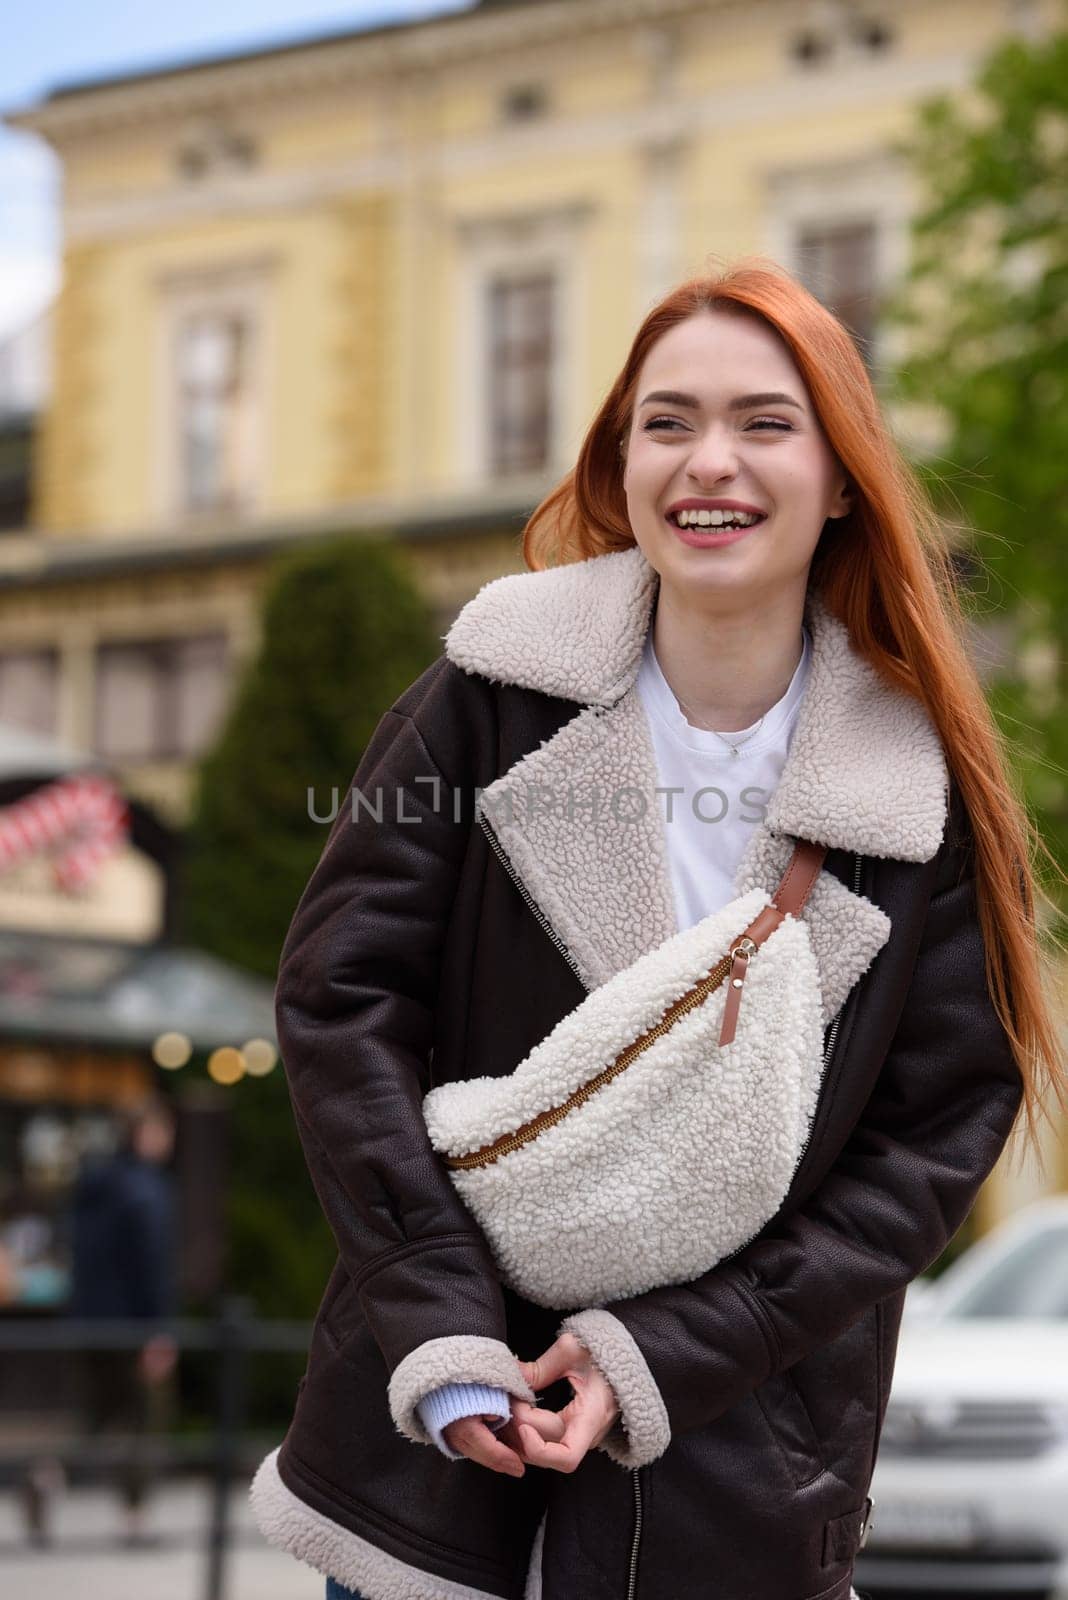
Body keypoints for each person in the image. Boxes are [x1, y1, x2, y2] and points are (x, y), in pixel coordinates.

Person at [250, 259, 1064, 1600]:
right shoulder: (488, 693)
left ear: (845, 474)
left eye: (764, 422)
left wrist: (665, 1352)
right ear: (619, 462)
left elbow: (928, 1143)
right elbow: (343, 1000)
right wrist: (443, 1326)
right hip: (441, 1456)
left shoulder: (913, 786)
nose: (709, 462)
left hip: (739, 1473)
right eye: (667, 421)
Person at [67, 1095, 179, 1545]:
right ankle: (134, 1518)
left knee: (95, 1415)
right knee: (142, 1420)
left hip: (86, 1319)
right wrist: (158, 1330)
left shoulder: (91, 1184)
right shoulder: (146, 1189)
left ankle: (47, 1473)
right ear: (146, 1133)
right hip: (133, 1323)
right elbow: (150, 1263)